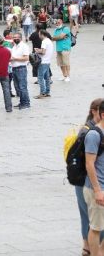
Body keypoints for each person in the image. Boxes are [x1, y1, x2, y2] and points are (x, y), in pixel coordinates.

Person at [76, 99, 104, 256]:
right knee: (94, 224)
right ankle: (92, 250)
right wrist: (97, 189)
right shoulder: (92, 133)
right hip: (93, 185)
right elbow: (89, 164)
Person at [10, 32, 30, 110]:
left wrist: (14, 59)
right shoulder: (14, 46)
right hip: (14, 68)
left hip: (21, 68)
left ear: (21, 38)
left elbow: (26, 58)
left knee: (22, 87)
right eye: (14, 37)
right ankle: (22, 102)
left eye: (17, 37)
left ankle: (26, 103)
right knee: (17, 87)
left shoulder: (24, 46)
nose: (15, 39)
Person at [35, 31, 55, 99]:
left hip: (43, 61)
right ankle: (47, 92)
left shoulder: (44, 41)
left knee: (40, 77)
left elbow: (43, 52)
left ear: (42, 35)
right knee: (47, 78)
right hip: (48, 61)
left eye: (39, 34)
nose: (39, 36)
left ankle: (42, 92)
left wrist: (37, 50)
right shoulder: (49, 41)